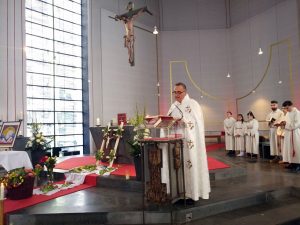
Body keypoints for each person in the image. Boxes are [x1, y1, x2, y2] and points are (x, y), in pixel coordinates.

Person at [161, 82, 211, 201]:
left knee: (189, 165)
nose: (177, 95)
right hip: (174, 143)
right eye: (175, 92)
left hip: (189, 143)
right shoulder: (173, 106)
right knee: (176, 166)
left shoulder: (193, 104)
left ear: (185, 92)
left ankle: (191, 193)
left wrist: (183, 121)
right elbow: (167, 123)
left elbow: (197, 123)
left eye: (179, 92)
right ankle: (176, 192)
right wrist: (167, 122)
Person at [114, 2, 152, 66]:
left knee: (130, 47)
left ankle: (130, 59)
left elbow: (137, 14)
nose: (123, 19)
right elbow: (119, 19)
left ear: (126, 18)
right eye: (123, 19)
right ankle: (130, 58)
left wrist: (143, 10)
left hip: (130, 36)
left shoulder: (130, 20)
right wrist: (117, 17)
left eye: (124, 18)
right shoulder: (124, 22)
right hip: (127, 36)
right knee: (127, 47)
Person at [282, 100, 300, 172]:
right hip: (288, 132)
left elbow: (296, 124)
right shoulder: (288, 113)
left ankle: (298, 164)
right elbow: (287, 122)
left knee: (296, 148)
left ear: (291, 105)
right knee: (289, 148)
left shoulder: (297, 113)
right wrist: (282, 124)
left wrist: (286, 125)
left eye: (287, 108)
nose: (286, 110)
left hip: (294, 133)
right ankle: (292, 163)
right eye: (285, 108)